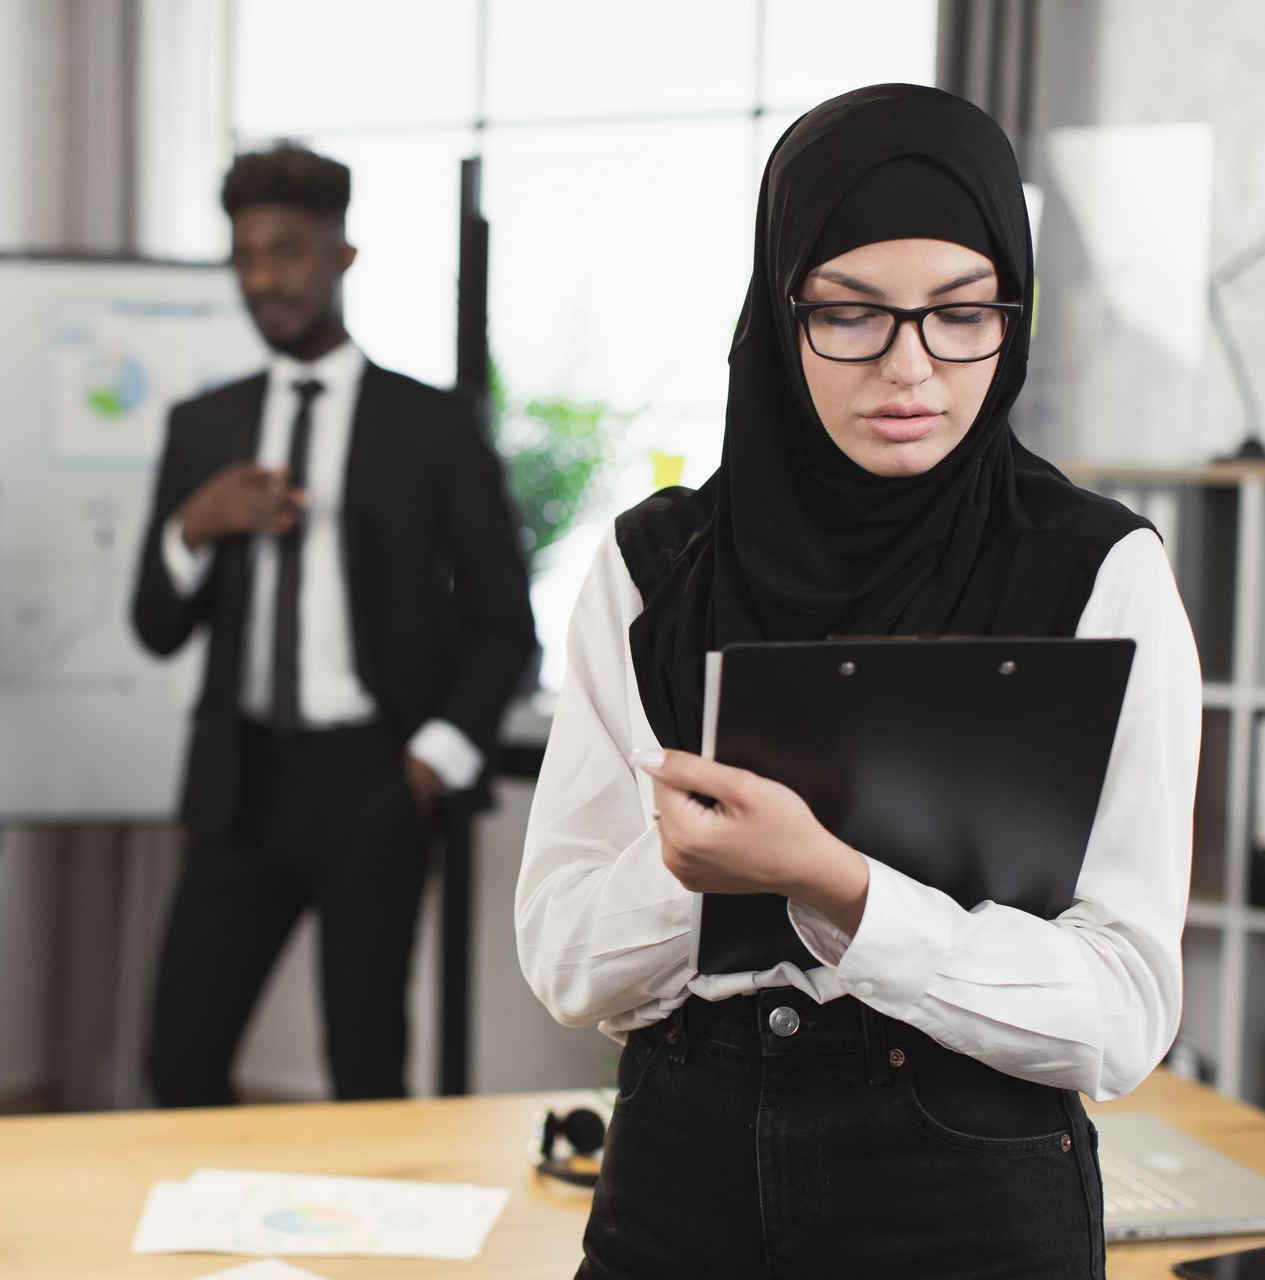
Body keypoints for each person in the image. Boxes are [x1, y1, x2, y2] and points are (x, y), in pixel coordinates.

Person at [515, 84, 1201, 1278]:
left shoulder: (1094, 571)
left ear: (1012, 311)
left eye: (959, 314)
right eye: (850, 315)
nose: (910, 368)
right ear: (779, 314)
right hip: (680, 1170)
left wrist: (834, 887)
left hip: (966, 1185)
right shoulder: (652, 569)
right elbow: (567, 957)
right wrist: (693, 880)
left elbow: (1123, 1006)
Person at [134, 145, 535, 1106]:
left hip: (376, 781)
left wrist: (430, 763)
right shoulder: (204, 428)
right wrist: (196, 525)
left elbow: (503, 624)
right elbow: (154, 627)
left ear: (340, 256)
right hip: (240, 779)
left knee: (364, 1066)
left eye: (288, 251)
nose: (265, 278)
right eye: (247, 256)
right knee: (178, 1061)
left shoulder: (433, 425)